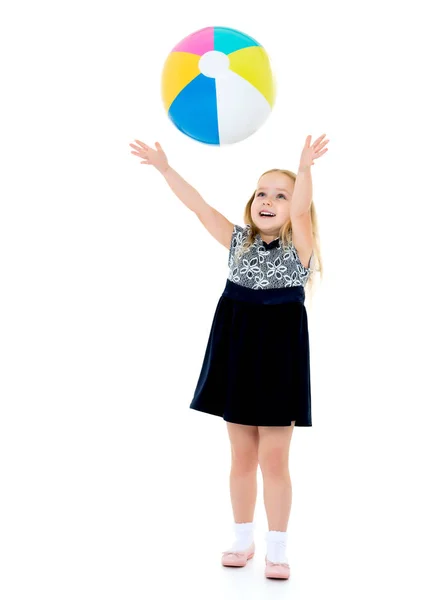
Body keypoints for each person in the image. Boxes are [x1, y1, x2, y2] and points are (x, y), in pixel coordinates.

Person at [129, 134, 328, 580]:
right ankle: (243, 538)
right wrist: (165, 168)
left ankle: (277, 547)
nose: (270, 201)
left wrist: (306, 167)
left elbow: (300, 211)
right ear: (250, 201)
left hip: (279, 361)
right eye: (262, 192)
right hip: (237, 354)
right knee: (241, 457)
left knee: (274, 459)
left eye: (281, 194)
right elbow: (199, 207)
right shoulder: (239, 243)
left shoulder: (300, 250)